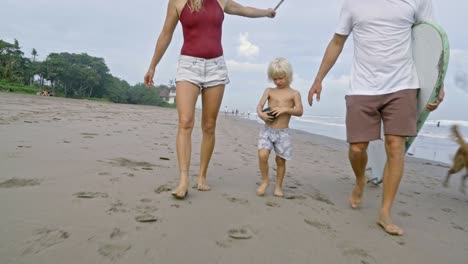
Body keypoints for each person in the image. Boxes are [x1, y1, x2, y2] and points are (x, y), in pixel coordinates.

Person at [307, 0, 445, 235]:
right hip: (362, 86)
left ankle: (385, 212)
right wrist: (318, 78)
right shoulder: (352, 4)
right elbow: (337, 41)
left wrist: (437, 82)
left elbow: (431, 42)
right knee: (357, 148)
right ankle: (360, 179)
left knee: (396, 147)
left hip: (403, 85)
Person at [144, 0, 276, 199]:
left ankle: (202, 176)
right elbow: (166, 34)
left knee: (209, 125)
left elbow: (245, 10)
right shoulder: (177, 2)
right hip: (188, 66)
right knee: (185, 122)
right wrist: (153, 65)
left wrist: (266, 12)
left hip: (216, 67)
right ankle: (183, 180)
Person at [256, 58, 303, 197]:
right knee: (262, 155)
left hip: (283, 133)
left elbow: (300, 111)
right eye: (275, 78)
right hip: (267, 130)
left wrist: (285, 109)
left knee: (280, 160)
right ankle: (265, 181)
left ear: (288, 76)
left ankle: (278, 187)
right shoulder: (269, 90)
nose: (278, 81)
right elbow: (259, 106)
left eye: (281, 78)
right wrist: (261, 115)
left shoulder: (294, 93)